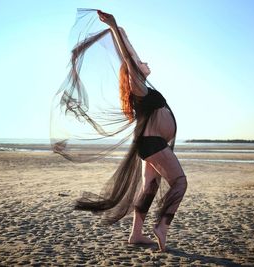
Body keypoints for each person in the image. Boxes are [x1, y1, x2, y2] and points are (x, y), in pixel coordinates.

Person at [51, 9, 187, 252]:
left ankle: (136, 235)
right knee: (180, 183)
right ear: (134, 70)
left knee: (150, 188)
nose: (146, 62)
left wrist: (119, 30)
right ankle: (163, 226)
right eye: (141, 63)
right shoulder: (137, 84)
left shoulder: (142, 84)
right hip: (153, 144)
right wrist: (113, 27)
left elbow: (130, 50)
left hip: (151, 145)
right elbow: (127, 57)